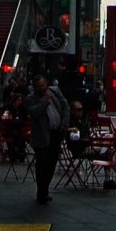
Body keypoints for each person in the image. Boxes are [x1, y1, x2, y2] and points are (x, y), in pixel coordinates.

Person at [27, 74, 69, 204]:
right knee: (42, 164)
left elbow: (65, 106)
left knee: (52, 162)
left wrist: (64, 123)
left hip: (56, 132)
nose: (43, 88)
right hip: (42, 135)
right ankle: (41, 191)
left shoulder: (55, 91)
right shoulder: (31, 98)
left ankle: (45, 188)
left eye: (44, 85)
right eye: (39, 87)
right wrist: (44, 100)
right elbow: (34, 112)